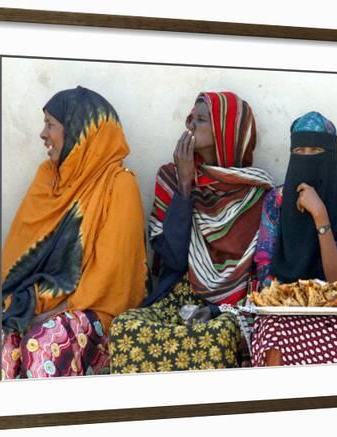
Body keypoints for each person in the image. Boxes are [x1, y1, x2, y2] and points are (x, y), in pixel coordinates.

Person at [109, 91, 274, 373]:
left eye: (200, 120)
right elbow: (171, 258)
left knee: (216, 335)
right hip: (178, 293)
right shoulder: (171, 177)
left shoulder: (255, 191)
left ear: (226, 130)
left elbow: (259, 271)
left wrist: (222, 308)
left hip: (231, 303)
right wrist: (185, 186)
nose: (190, 126)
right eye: (190, 119)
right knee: (126, 327)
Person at [0, 86, 147, 379]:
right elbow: (18, 258)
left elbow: (109, 279)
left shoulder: (119, 185)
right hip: (42, 304)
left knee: (44, 344)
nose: (43, 134)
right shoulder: (48, 178)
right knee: (4, 345)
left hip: (97, 313)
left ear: (81, 133)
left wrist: (48, 314)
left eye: (51, 125)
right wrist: (28, 307)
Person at [250, 111, 337, 367]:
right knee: (273, 336)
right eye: (299, 150)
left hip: (335, 313)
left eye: (314, 150)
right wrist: (295, 302)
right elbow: (266, 276)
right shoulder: (276, 202)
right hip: (283, 309)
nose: (305, 157)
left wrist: (320, 215)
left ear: (330, 157)